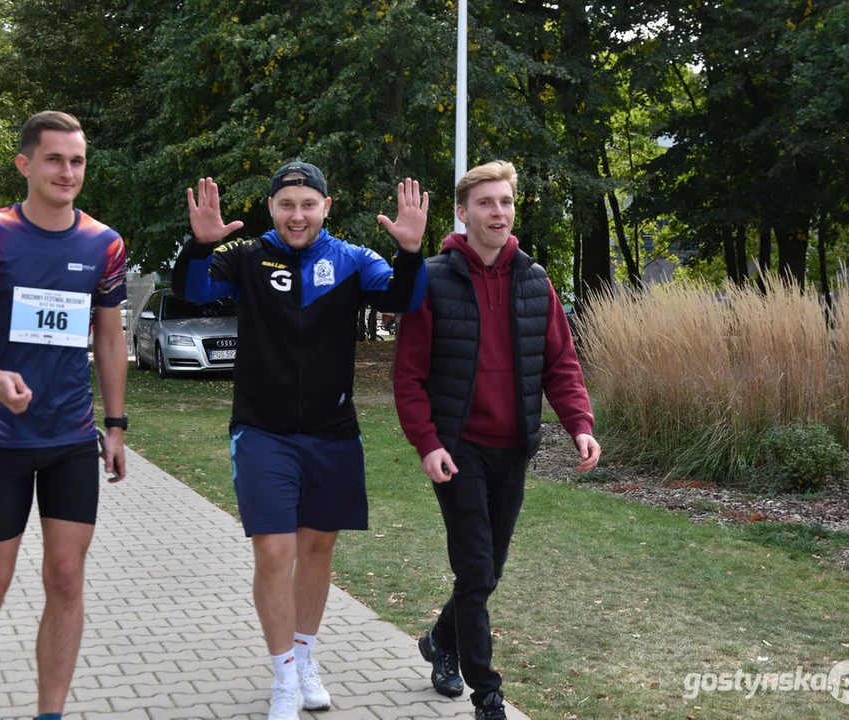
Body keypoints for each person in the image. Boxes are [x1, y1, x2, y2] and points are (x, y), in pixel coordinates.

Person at [172, 162, 429, 720]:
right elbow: (191, 291)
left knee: (317, 549)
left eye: (308, 204)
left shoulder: (353, 259)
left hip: (331, 432)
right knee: (274, 550)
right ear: (272, 208)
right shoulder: (245, 257)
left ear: (326, 208)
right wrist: (198, 245)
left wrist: (411, 252)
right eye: (286, 204)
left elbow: (404, 301)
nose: (297, 215)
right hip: (261, 431)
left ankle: (307, 657)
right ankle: (283, 675)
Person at [0, 110, 129, 720]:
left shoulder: (104, 243)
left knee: (66, 579)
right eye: (54, 159)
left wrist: (117, 425)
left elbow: (110, 338)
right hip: (2, 440)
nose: (67, 171)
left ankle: (50, 714)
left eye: (77, 161)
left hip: (73, 438)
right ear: (25, 164)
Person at [392, 161, 601, 720]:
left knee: (485, 573)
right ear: (463, 214)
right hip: (458, 450)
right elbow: (409, 375)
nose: (498, 212)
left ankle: (441, 641)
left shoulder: (535, 281)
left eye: (505, 202)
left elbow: (560, 362)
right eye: (486, 203)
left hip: (514, 450)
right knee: (477, 571)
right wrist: (427, 442)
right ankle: (488, 693)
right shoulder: (431, 279)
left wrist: (579, 424)